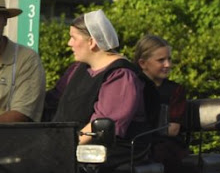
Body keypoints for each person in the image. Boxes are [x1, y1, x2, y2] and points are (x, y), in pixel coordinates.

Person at [46, 10, 149, 147]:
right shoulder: (77, 69)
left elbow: (102, 126)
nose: (69, 43)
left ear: (92, 42)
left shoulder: (121, 76)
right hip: (66, 148)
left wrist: (63, 148)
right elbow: (51, 100)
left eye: (74, 38)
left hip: (101, 156)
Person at [134, 34, 186, 137]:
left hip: (164, 147)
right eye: (161, 60)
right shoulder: (131, 86)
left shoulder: (175, 90)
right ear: (143, 63)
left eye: (169, 59)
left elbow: (172, 129)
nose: (168, 65)